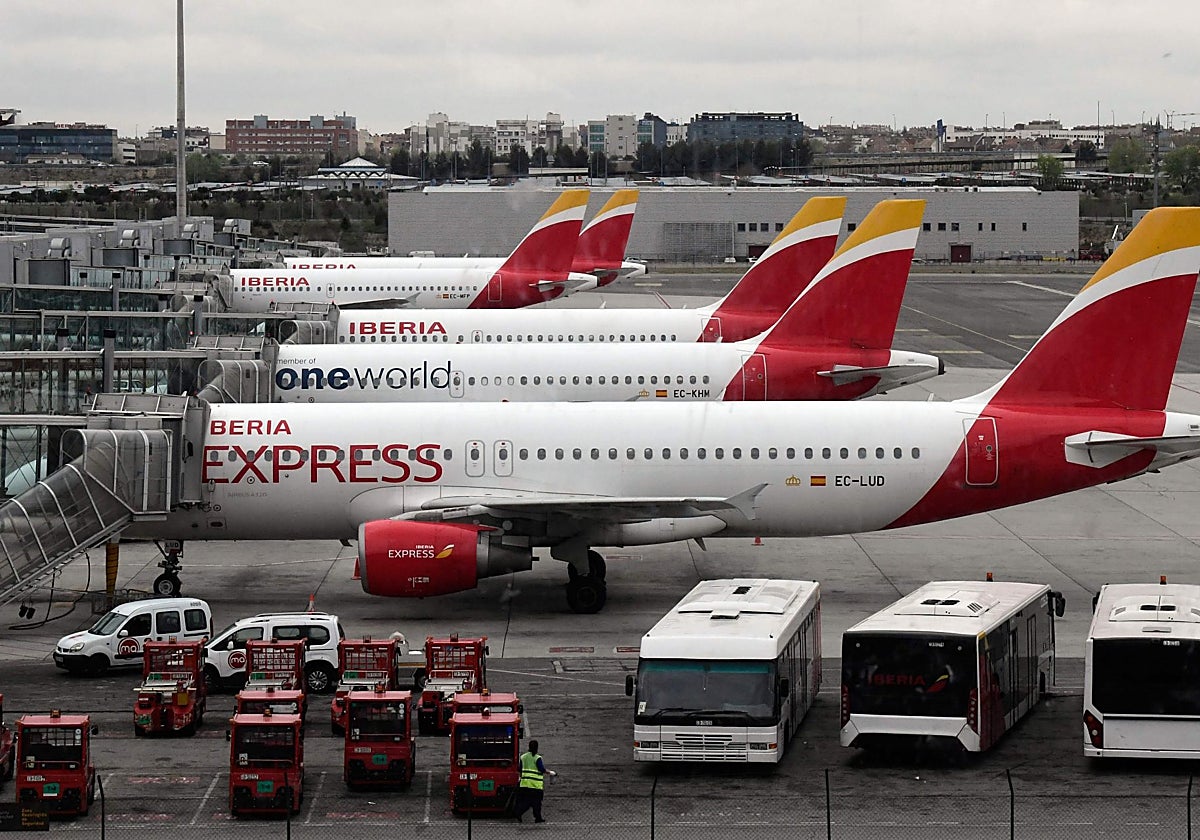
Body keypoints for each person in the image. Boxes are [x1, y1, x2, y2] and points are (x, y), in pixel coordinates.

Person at [513, 738, 555, 823]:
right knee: (536, 803)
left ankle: (520, 813)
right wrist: (551, 772)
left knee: (526, 801)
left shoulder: (523, 757)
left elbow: (519, 769)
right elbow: (541, 769)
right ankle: (537, 817)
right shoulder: (537, 758)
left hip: (524, 784)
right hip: (535, 785)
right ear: (537, 748)